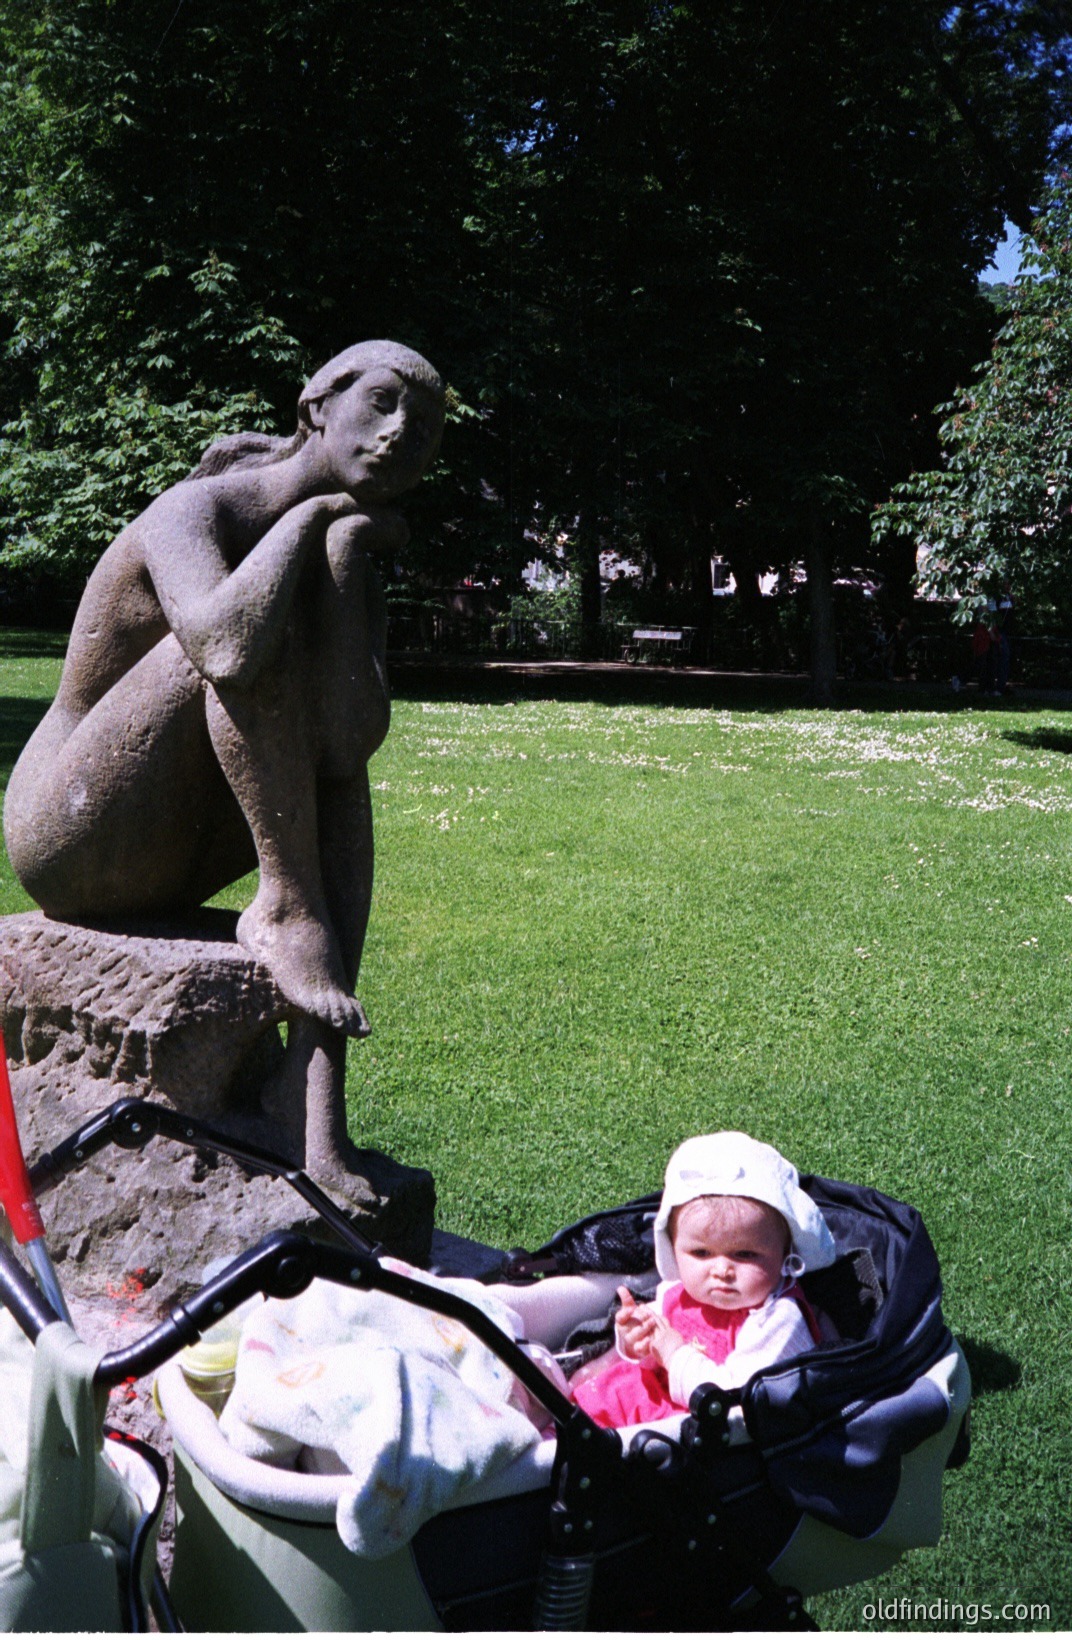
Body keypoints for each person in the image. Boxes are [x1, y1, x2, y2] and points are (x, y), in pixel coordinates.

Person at [3, 342, 445, 1038]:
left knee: (338, 775)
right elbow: (225, 649)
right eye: (382, 403)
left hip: (171, 843)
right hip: (66, 834)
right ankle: (285, 908)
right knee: (243, 634)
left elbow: (345, 745)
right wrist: (311, 518)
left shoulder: (346, 553)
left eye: (423, 428)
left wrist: (341, 554)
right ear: (317, 407)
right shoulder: (193, 510)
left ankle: (312, 1090)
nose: (398, 433)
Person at [571, 1132, 836, 1429]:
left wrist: (673, 1354)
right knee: (583, 1401)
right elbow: (654, 1351)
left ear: (785, 1254)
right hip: (644, 1398)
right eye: (701, 1252)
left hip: (699, 1427)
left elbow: (736, 1400)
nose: (722, 1269)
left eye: (745, 1254)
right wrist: (635, 1342)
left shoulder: (778, 1319)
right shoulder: (678, 1291)